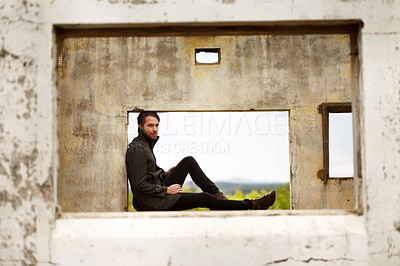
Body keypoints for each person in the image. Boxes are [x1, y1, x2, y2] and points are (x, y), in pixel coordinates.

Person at [126, 111, 276, 211]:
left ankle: (219, 197)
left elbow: (148, 175)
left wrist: (165, 174)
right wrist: (166, 190)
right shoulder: (136, 149)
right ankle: (252, 204)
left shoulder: (145, 144)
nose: (155, 129)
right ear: (140, 126)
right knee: (204, 198)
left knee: (188, 161)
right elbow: (139, 186)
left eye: (157, 125)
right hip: (154, 202)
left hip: (158, 190)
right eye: (150, 125)